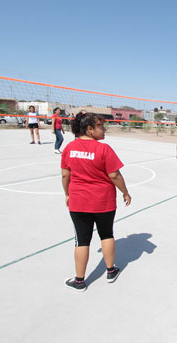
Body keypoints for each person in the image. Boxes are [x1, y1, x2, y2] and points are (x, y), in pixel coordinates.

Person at [61, 112, 131, 292]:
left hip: (79, 201)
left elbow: (65, 175)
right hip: (103, 201)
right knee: (106, 234)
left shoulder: (69, 148)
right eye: (101, 126)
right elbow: (114, 175)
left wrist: (67, 194)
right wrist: (125, 192)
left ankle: (79, 281)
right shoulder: (104, 149)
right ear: (90, 129)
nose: (105, 129)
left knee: (82, 240)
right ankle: (110, 271)